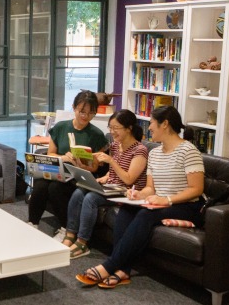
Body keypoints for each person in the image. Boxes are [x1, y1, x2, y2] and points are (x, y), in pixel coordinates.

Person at [76, 105, 205, 289]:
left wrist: (167, 200)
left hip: (187, 206)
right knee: (127, 209)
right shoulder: (155, 153)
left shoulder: (188, 151)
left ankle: (110, 266)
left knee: (146, 215)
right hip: (159, 203)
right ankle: (124, 270)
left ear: (165, 124)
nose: (149, 127)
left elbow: (196, 189)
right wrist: (138, 194)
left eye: (152, 123)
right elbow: (151, 188)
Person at [62, 109, 148, 259]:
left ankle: (82, 242)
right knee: (79, 191)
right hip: (112, 187)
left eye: (116, 128)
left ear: (129, 128)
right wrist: (106, 177)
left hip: (127, 192)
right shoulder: (115, 145)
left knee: (91, 198)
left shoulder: (140, 150)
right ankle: (70, 234)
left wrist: (110, 161)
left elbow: (129, 179)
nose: (112, 132)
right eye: (110, 128)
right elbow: (116, 171)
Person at [27, 90, 108, 236]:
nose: (85, 116)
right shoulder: (60, 127)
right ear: (74, 107)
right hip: (58, 170)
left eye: (91, 113)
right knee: (40, 184)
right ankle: (32, 224)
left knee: (55, 188)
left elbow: (96, 167)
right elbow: (50, 153)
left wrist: (83, 165)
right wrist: (63, 157)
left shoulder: (97, 135)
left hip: (78, 177)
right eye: (82, 111)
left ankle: (66, 228)